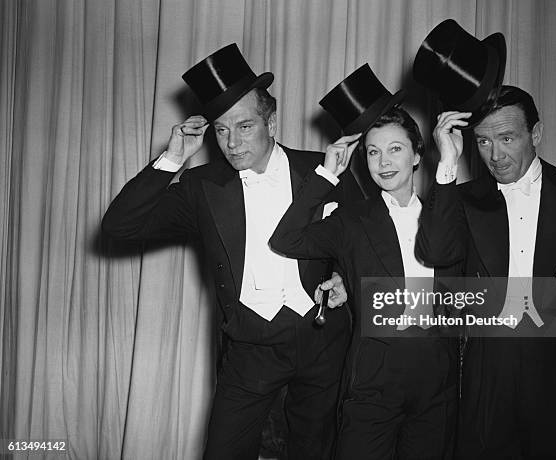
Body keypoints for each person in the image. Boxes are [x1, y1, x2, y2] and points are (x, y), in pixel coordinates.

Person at [101, 43, 363, 460]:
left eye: (245, 127)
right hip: (249, 347)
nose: (232, 143)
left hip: (322, 342)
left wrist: (346, 278)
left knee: (313, 449)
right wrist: (171, 160)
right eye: (222, 130)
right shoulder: (202, 187)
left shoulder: (325, 169)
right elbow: (119, 226)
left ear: (271, 123)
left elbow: (363, 240)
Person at [270, 65, 458, 460]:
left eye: (395, 149)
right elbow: (285, 240)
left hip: (436, 376)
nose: (383, 161)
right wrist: (326, 173)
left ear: (417, 154)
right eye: (373, 151)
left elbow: (443, 253)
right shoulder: (352, 222)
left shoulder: (451, 213)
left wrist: (449, 166)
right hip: (373, 376)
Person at [416, 85, 556, 459]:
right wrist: (447, 164)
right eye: (484, 142)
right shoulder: (463, 199)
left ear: (535, 134)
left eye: (507, 138)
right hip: (488, 371)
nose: (496, 154)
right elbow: (436, 253)